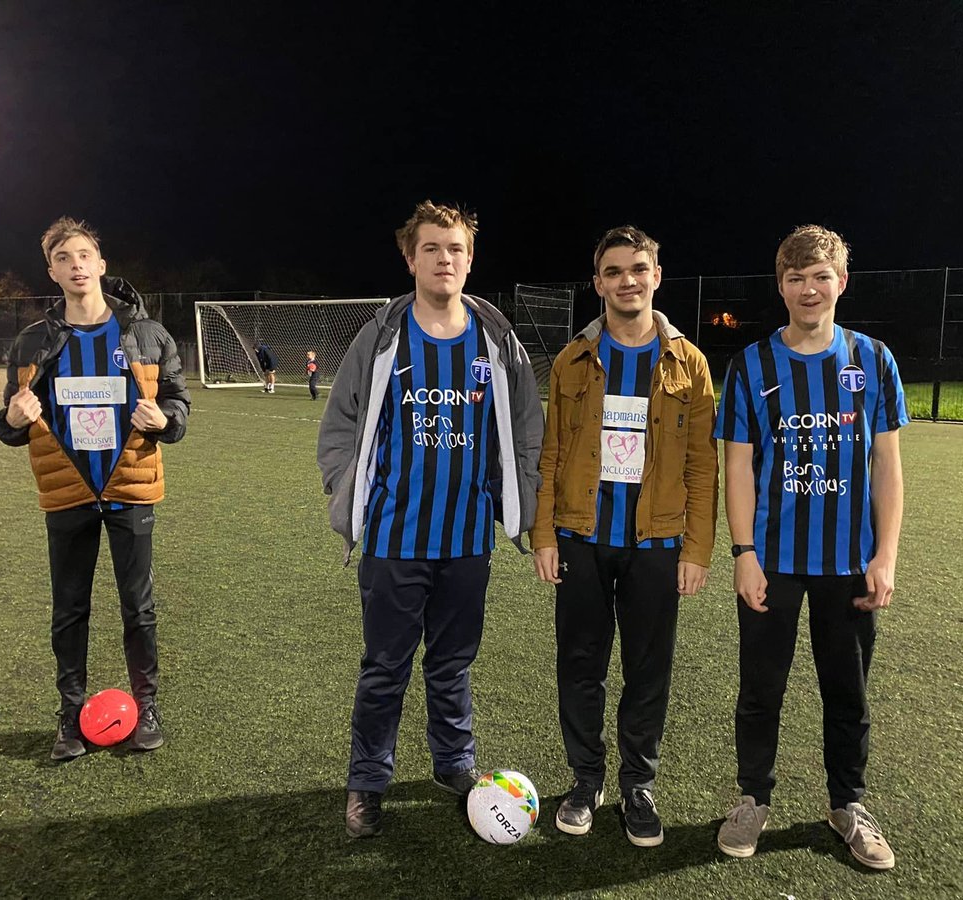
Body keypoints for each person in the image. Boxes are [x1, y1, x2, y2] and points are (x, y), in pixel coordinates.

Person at [317, 200, 543, 838]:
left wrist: (517, 499)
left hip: (469, 538)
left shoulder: (496, 339)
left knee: (452, 663)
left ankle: (454, 764)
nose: (446, 259)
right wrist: (346, 488)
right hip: (393, 536)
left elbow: (527, 428)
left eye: (457, 249)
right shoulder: (383, 336)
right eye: (433, 248)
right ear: (410, 256)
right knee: (385, 665)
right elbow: (339, 424)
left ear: (471, 259)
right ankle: (367, 782)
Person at [714, 225, 907, 870]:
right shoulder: (751, 365)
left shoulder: (873, 361)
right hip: (772, 563)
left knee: (847, 693)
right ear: (781, 286)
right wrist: (743, 552)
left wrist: (885, 555)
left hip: (849, 565)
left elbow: (885, 465)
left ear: (841, 282)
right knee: (760, 689)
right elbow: (737, 467)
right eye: (795, 278)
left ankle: (847, 804)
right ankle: (752, 798)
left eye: (820, 276)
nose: (808, 288)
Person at [530, 226, 718, 847]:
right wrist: (545, 535)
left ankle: (638, 784)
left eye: (638, 269)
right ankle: (586, 779)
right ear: (598, 283)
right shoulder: (571, 359)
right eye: (614, 272)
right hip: (581, 537)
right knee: (579, 665)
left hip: (657, 545)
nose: (627, 281)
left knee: (647, 670)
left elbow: (701, 462)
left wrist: (696, 548)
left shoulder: (688, 362)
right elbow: (553, 451)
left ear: (656, 277)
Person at [0, 217, 191, 761]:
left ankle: (146, 707)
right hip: (68, 490)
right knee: (69, 608)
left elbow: (179, 404)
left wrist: (164, 419)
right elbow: (8, 423)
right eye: (64, 258)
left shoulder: (146, 335)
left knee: (138, 607)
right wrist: (12, 414)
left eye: (85, 255)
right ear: (52, 271)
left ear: (101, 265)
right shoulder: (35, 340)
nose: (76, 264)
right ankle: (69, 717)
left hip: (130, 484)